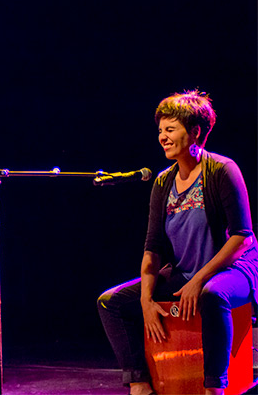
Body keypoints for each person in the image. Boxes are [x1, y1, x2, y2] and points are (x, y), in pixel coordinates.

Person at [97, 90, 258, 395]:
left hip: (236, 272)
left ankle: (214, 387)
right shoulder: (163, 181)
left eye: (170, 129)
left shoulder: (223, 170)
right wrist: (145, 300)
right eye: (160, 130)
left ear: (195, 132)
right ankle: (140, 383)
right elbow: (153, 245)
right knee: (111, 302)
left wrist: (199, 279)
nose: (163, 137)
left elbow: (241, 236)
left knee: (212, 295)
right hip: (186, 272)